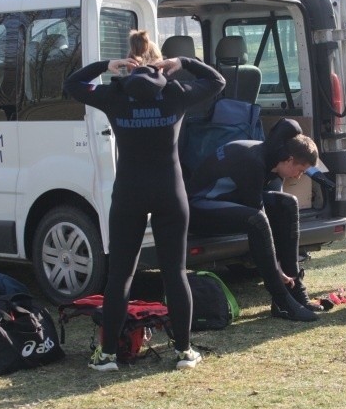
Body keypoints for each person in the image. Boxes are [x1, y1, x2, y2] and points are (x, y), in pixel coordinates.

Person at [63, 51, 225, 371]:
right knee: (174, 273)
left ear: (128, 74)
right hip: (169, 191)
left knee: (120, 275)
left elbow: (73, 84)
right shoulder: (174, 93)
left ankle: (108, 355)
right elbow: (217, 81)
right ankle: (183, 352)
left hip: (129, 194)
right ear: (160, 72)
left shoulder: (114, 96)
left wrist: (106, 66)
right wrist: (183, 63)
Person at [185, 118, 322, 321]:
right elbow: (261, 218)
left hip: (227, 198)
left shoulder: (274, 160)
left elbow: (275, 211)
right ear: (289, 159)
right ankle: (282, 300)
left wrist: (285, 269)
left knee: (288, 204)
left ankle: (295, 291)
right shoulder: (253, 161)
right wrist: (276, 270)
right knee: (257, 220)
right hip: (198, 206)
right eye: (300, 170)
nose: (299, 176)